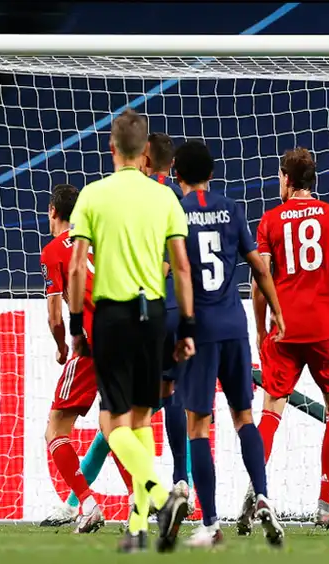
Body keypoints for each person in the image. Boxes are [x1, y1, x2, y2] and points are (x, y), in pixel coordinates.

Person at [67, 108, 195, 553]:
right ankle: (137, 528)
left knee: (111, 420)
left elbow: (78, 267)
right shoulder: (165, 199)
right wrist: (187, 325)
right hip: (157, 316)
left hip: (114, 317)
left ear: (112, 148)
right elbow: (181, 265)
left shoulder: (93, 195)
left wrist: (75, 326)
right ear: (145, 154)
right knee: (143, 418)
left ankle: (161, 498)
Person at [172, 140, 285, 548]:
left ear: (175, 175)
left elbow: (174, 269)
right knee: (244, 417)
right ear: (213, 173)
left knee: (197, 425)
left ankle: (211, 523)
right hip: (235, 324)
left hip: (200, 329)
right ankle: (264, 497)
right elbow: (259, 265)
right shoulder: (233, 209)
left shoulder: (177, 212)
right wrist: (277, 312)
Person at [244, 147, 329, 532]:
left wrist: (260, 327)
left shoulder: (270, 220)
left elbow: (258, 282)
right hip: (321, 327)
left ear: (287, 178)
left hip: (284, 328)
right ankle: (323, 503)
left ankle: (257, 494)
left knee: (272, 408)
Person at [40, 183, 133, 533]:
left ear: (53, 212)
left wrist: (63, 347)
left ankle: (88, 504)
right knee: (114, 427)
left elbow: (54, 316)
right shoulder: (100, 237)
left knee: (55, 429)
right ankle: (138, 504)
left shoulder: (53, 251)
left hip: (92, 343)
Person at [146, 132, 192, 502]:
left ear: (146, 159)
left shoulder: (141, 194)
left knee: (139, 399)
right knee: (171, 390)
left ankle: (144, 489)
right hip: (177, 305)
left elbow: (163, 256)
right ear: (172, 164)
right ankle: (181, 479)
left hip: (147, 304)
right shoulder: (178, 197)